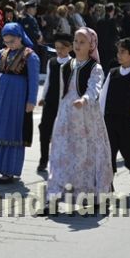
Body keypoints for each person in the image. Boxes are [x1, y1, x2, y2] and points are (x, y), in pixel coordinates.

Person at [47, 28, 114, 208]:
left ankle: (91, 194)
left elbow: (95, 87)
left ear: (91, 45)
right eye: (76, 41)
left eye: (82, 42)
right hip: (67, 116)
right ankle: (55, 195)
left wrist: (85, 99)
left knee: (87, 154)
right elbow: (62, 91)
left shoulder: (95, 67)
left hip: (87, 117)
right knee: (61, 152)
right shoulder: (66, 66)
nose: (77, 45)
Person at [0, 22, 40, 183]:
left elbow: (34, 80)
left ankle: (8, 171)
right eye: (6, 41)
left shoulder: (30, 56)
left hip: (18, 97)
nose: (9, 44)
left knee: (12, 131)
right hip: (0, 96)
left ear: (20, 37)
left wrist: (31, 101)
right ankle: (3, 165)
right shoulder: (2, 53)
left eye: (12, 41)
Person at [100, 38, 130, 192]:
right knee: (108, 154)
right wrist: (99, 115)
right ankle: (108, 183)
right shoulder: (112, 73)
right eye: (118, 52)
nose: (119, 55)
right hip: (110, 120)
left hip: (129, 122)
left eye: (123, 52)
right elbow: (103, 96)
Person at [36, 33, 72, 172]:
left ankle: (62, 161)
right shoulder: (52, 62)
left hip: (65, 103)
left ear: (69, 48)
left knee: (63, 133)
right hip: (50, 101)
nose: (59, 51)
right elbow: (48, 81)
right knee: (45, 129)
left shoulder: (73, 64)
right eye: (57, 48)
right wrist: (43, 97)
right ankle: (43, 159)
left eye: (62, 48)